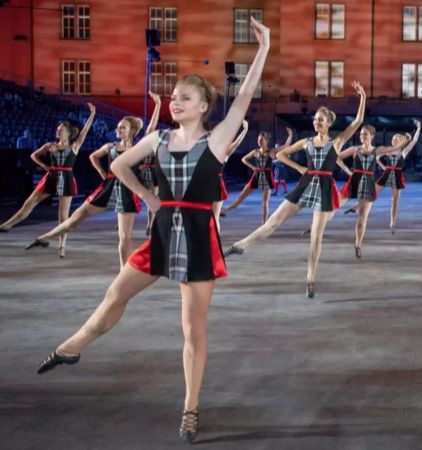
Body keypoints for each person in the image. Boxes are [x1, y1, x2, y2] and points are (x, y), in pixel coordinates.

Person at [34, 17, 270, 444]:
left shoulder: (214, 142)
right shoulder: (157, 139)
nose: (174, 101)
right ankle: (71, 348)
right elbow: (119, 165)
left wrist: (264, 48)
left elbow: (246, 97)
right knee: (114, 294)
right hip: (162, 233)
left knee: (192, 330)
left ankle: (190, 409)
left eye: (184, 97)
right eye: (173, 96)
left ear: (203, 106)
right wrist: (149, 196)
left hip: (197, 239)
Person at [222, 82, 367, 298]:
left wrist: (362, 96)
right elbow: (279, 155)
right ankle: (241, 245)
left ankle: (310, 279)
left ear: (328, 123)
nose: (316, 121)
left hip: (324, 188)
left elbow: (358, 121)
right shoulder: (306, 141)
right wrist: (299, 167)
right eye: (315, 119)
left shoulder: (336, 142)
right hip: (306, 184)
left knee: (316, 236)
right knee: (273, 221)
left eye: (321, 119)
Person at [26, 107, 162, 266]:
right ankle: (43, 239)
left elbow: (151, 129)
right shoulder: (110, 146)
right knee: (74, 219)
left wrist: (158, 105)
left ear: (132, 132)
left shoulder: (137, 149)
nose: (117, 129)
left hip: (126, 190)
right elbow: (93, 157)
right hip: (107, 187)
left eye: (122, 127)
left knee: (125, 237)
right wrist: (103, 173)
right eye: (117, 127)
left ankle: (123, 272)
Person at [0, 102, 97, 259]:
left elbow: (85, 130)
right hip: (50, 177)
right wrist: (45, 166)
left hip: (66, 178)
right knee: (28, 204)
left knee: (63, 217)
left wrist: (92, 114)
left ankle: (62, 246)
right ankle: (6, 226)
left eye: (61, 129)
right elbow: (33, 156)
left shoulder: (74, 146)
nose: (58, 130)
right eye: (57, 129)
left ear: (68, 133)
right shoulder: (50, 145)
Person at [337, 123, 412, 257]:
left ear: (371, 136)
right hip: (354, 181)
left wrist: (406, 140)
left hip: (368, 185)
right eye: (360, 134)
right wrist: (347, 170)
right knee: (334, 205)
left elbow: (394, 148)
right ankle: (316, 226)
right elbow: (336, 157)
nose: (362, 136)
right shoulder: (355, 149)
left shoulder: (377, 150)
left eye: (365, 134)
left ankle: (358, 245)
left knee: (362, 219)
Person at [344, 121, 422, 234]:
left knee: (394, 201)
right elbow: (376, 158)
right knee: (371, 193)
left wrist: (418, 127)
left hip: (397, 176)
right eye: (393, 139)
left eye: (396, 139)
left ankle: (392, 223)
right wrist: (384, 167)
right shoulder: (388, 151)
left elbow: (414, 140)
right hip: (386, 174)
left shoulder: (403, 151)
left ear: (401, 141)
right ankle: (355, 207)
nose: (394, 140)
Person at [221, 128, 293, 223]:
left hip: (267, 176)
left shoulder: (271, 151)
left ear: (266, 141)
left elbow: (286, 145)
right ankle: (225, 211)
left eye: (261, 140)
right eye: (258, 140)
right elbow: (244, 159)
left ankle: (264, 224)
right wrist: (253, 167)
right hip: (257, 175)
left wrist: (290, 135)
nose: (259, 142)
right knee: (241, 197)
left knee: (265, 203)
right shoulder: (255, 152)